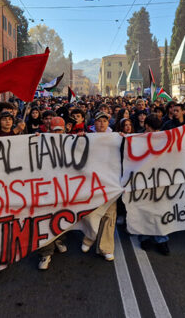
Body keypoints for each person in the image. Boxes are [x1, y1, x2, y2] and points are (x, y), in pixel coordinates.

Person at [81, 111, 116, 261]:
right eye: (99, 121)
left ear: (108, 123)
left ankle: (106, 247)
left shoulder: (115, 138)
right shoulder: (87, 137)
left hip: (110, 181)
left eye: (104, 121)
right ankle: (89, 238)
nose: (102, 124)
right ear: (94, 123)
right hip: (91, 181)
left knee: (109, 213)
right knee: (90, 212)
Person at [37, 116, 69, 270]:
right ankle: (46, 252)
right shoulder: (40, 141)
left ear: (64, 130)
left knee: (61, 216)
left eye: (60, 131)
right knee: (45, 219)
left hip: (63, 188)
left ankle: (58, 240)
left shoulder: (71, 142)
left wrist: (83, 140)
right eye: (54, 131)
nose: (57, 134)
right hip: (45, 188)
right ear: (49, 131)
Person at [137, 114, 170, 255]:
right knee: (143, 210)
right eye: (153, 129)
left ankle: (161, 239)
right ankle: (144, 236)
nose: (156, 133)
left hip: (160, 180)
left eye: (158, 129)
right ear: (146, 126)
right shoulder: (137, 139)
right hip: (142, 181)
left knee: (160, 210)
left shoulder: (164, 138)